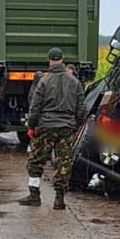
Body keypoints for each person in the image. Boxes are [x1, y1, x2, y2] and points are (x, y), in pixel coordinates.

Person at [18, 47, 85, 210]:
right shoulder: (74, 82)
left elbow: (35, 107)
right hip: (66, 128)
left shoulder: (43, 81)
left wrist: (31, 127)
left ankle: (34, 195)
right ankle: (59, 199)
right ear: (62, 59)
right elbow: (81, 108)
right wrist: (76, 126)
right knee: (63, 163)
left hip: (45, 127)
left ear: (48, 61)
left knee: (35, 161)